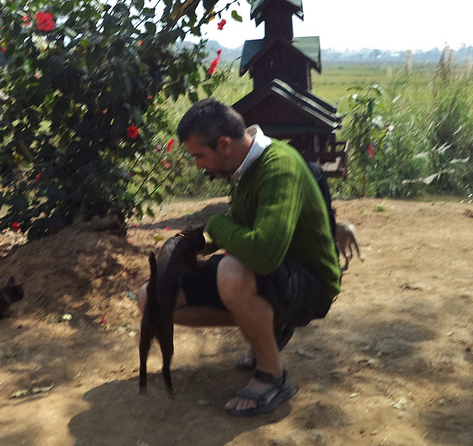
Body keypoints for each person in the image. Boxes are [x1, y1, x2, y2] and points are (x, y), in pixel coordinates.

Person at [138, 98, 341, 417]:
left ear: (224, 144)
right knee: (151, 297)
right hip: (273, 277)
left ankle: (273, 376)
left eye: (199, 156)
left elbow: (262, 254)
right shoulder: (243, 169)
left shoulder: (279, 165)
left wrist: (217, 223)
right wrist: (191, 245)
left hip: (311, 283)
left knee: (231, 272)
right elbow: (240, 226)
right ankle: (270, 323)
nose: (197, 165)